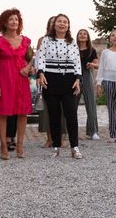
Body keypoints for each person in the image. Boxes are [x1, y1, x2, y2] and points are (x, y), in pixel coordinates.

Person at [36, 13, 83, 159]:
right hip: (50, 80)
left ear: (68, 25)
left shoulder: (72, 42)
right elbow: (40, 57)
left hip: (69, 80)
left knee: (71, 115)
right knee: (54, 115)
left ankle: (74, 147)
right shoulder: (46, 41)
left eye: (65, 22)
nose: (62, 24)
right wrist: (41, 73)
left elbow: (77, 61)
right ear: (54, 24)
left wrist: (78, 79)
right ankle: (55, 146)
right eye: (59, 21)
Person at [0, 8, 33, 160]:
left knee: (22, 112)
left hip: (21, 80)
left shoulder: (26, 40)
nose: (14, 22)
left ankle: (20, 144)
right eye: (11, 19)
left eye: (16, 19)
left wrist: (29, 67)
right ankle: (3, 145)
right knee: (3, 113)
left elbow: (32, 58)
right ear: (4, 23)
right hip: (5, 79)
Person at [36, 16, 67, 148]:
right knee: (47, 111)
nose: (55, 24)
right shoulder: (43, 40)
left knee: (62, 110)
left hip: (62, 78)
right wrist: (39, 75)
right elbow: (39, 58)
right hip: (46, 77)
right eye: (52, 23)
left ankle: (61, 138)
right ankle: (50, 139)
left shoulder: (66, 41)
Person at [77, 29, 99, 140]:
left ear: (87, 36)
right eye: (80, 33)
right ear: (77, 36)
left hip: (86, 75)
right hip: (73, 77)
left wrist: (92, 64)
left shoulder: (92, 50)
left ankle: (93, 131)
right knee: (70, 105)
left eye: (84, 33)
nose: (82, 35)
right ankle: (66, 132)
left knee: (91, 103)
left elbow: (97, 64)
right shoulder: (73, 49)